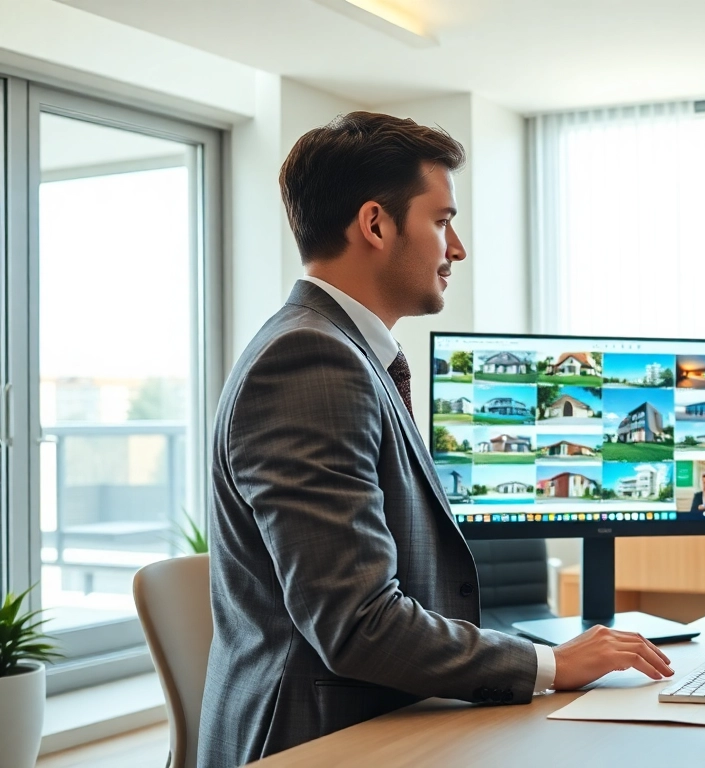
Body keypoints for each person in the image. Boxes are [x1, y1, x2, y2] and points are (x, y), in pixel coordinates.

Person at [198, 112, 673, 768]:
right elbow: (358, 624)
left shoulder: (340, 352)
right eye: (443, 221)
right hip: (319, 741)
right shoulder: (312, 361)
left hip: (386, 717)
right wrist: (551, 664)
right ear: (375, 224)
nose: (458, 249)